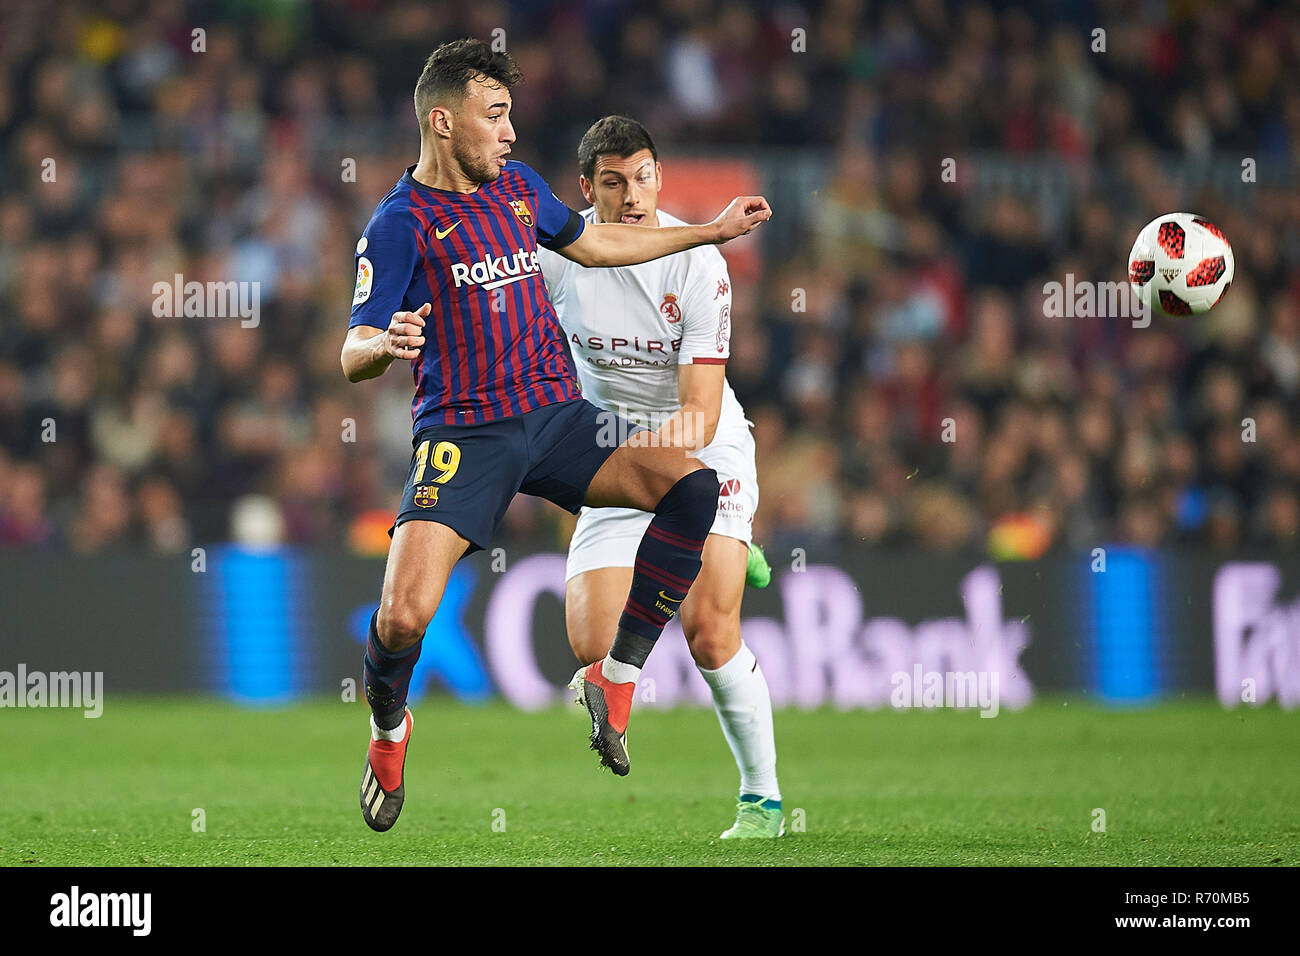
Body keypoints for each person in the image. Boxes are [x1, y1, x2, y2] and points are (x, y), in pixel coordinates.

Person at [340, 40, 770, 832]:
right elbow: (351, 350)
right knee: (402, 618)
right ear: (442, 122)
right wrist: (384, 347)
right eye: (494, 115)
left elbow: (598, 243)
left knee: (692, 486)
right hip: (467, 436)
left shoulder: (519, 191)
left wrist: (707, 233)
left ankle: (617, 677)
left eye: (509, 115)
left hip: (561, 418)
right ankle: (388, 730)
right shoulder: (399, 224)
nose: (509, 132)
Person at [539, 116, 783, 838]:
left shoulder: (697, 264)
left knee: (709, 631)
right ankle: (715, 545)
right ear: (586, 191)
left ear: (659, 178)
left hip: (701, 449)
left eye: (643, 176)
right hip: (614, 450)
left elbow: (699, 416)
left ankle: (762, 800)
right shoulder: (556, 258)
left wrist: (618, 454)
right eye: (612, 182)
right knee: (592, 645)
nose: (632, 195)